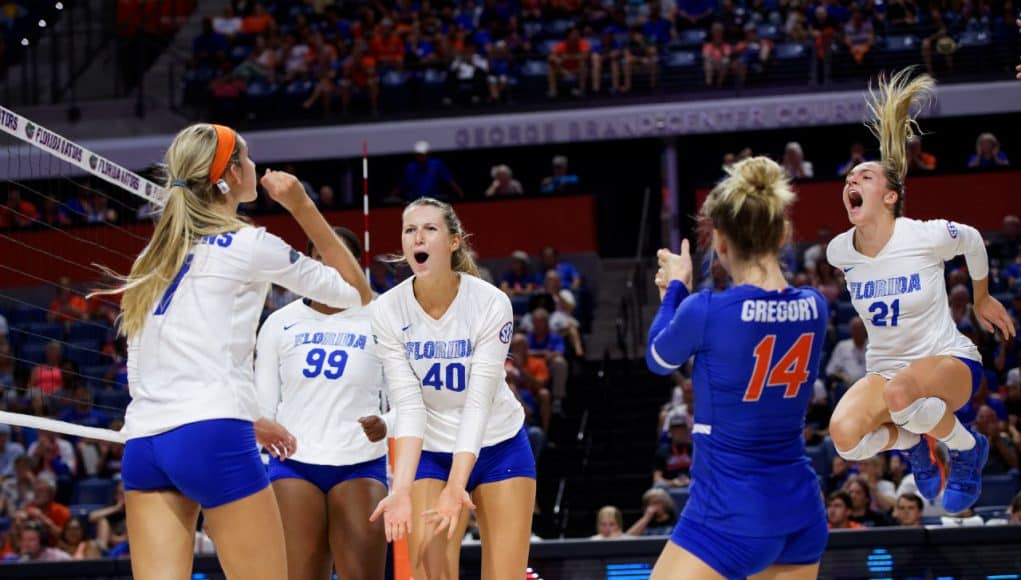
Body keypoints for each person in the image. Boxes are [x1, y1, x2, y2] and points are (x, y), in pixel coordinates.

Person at [92, 123, 372, 580]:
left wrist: (250, 415)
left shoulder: (153, 257)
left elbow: (142, 365)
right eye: (247, 157)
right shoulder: (250, 244)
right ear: (227, 175)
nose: (256, 166)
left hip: (144, 442)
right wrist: (302, 205)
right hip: (211, 436)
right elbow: (356, 293)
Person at [825, 69, 1015, 516]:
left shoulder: (923, 235)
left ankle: (968, 449)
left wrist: (982, 296)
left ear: (890, 197)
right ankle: (913, 442)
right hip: (888, 373)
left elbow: (971, 239)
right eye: (849, 179)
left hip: (950, 361)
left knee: (901, 394)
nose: (851, 182)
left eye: (865, 177)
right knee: (846, 437)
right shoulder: (839, 251)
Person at [646, 156, 829, 579]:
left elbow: (658, 358)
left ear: (721, 244)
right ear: (782, 233)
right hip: (801, 513)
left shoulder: (706, 309)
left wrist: (675, 288)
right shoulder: (814, 307)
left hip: (729, 515)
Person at [369, 197, 536, 579]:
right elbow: (409, 407)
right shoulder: (387, 310)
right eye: (410, 230)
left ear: (454, 242)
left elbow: (477, 404)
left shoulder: (490, 303)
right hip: (432, 451)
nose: (418, 238)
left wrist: (457, 485)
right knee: (429, 573)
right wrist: (401, 488)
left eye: (430, 229)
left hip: (498, 445)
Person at [255, 226, 388, 580]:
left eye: (336, 256)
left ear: (356, 264)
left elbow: (407, 398)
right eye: (318, 257)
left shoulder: (382, 317)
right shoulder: (279, 323)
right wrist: (260, 430)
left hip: (360, 462)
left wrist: (387, 422)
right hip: (294, 463)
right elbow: (263, 404)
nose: (327, 265)